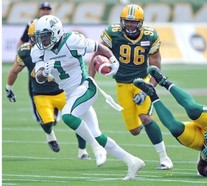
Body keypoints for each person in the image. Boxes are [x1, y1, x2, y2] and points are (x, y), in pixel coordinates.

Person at [31, 15, 144, 180]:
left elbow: (98, 47)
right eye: (39, 36)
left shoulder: (71, 41)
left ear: (55, 33)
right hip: (72, 94)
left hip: (85, 87)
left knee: (68, 116)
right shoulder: (38, 51)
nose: (42, 40)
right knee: (97, 134)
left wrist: (113, 60)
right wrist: (44, 72)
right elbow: (39, 78)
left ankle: (96, 148)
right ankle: (132, 161)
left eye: (45, 36)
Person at [89, 4, 173, 170]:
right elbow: (97, 57)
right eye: (127, 22)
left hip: (142, 81)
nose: (130, 25)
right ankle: (144, 123)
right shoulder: (112, 33)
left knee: (146, 118)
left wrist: (149, 88)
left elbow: (156, 68)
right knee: (134, 130)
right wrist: (90, 80)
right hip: (122, 84)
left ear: (141, 23)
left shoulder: (151, 36)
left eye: (134, 22)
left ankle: (165, 158)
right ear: (121, 21)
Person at [5, 20, 90, 159]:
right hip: (40, 94)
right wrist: (9, 88)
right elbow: (15, 70)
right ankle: (50, 135)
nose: (41, 41)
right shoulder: (26, 51)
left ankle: (82, 151)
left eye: (44, 36)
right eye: (36, 37)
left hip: (61, 91)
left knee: (76, 118)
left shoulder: (57, 47)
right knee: (46, 122)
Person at [15, 2, 53, 133]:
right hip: (36, 58)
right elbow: (23, 39)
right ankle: (39, 114)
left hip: (50, 57)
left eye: (48, 8)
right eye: (43, 8)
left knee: (56, 84)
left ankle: (55, 113)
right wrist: (20, 56)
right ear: (39, 10)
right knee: (33, 84)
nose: (45, 11)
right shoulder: (32, 23)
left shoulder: (54, 22)